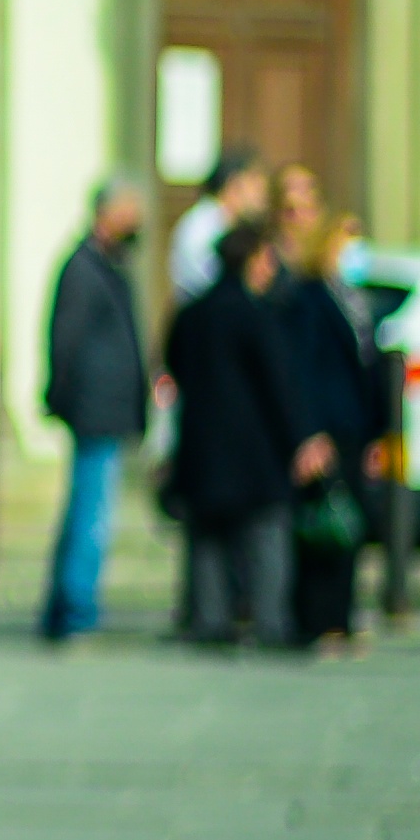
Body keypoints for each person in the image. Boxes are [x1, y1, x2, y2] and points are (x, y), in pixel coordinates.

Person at [159, 218, 305, 654]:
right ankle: (270, 621)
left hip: (202, 446)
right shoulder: (256, 316)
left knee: (206, 538)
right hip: (253, 449)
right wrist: (300, 437)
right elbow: (279, 383)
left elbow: (175, 366)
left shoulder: (192, 314)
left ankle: (210, 618)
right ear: (253, 262)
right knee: (266, 536)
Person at [271, 200, 390, 657]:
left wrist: (380, 434)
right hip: (327, 429)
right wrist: (309, 433)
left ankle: (341, 618)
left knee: (349, 526)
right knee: (322, 526)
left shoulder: (358, 301)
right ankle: (316, 621)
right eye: (347, 239)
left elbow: (371, 369)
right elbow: (303, 371)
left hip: (356, 428)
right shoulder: (308, 299)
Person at [34, 179, 149, 647]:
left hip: (107, 408)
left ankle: (63, 606)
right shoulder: (84, 268)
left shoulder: (107, 266)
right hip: (94, 410)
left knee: (84, 510)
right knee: (91, 515)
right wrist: (63, 398)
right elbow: (66, 342)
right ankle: (77, 610)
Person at [167, 146, 268, 308]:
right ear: (234, 184)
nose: (263, 193)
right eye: (255, 183)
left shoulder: (231, 226)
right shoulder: (200, 227)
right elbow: (205, 284)